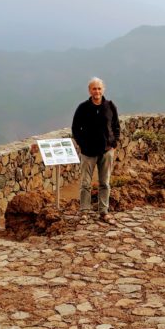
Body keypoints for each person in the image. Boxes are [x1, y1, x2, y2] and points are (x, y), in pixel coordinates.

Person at [71, 77, 121, 223]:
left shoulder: (110, 106)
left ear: (103, 89)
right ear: (89, 90)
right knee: (85, 183)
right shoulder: (83, 107)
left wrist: (114, 143)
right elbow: (75, 128)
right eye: (94, 88)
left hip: (106, 151)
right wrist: (82, 144)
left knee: (104, 183)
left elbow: (116, 126)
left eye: (99, 88)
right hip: (88, 152)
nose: (97, 91)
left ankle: (103, 212)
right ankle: (84, 212)